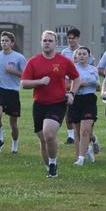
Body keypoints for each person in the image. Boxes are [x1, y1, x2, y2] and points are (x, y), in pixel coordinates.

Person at [21, 30, 79, 178]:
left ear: (56, 44)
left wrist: (71, 93)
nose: (47, 43)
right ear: (41, 42)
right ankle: (49, 168)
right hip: (39, 104)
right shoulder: (33, 62)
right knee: (43, 139)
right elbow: (24, 83)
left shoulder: (64, 61)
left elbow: (76, 78)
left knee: (48, 134)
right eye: (45, 40)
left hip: (58, 103)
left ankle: (53, 163)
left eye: (50, 41)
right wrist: (39, 82)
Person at [59, 28, 99, 150]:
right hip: (72, 94)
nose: (71, 40)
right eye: (69, 38)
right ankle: (74, 140)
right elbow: (65, 79)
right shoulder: (64, 53)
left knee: (86, 129)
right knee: (74, 122)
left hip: (87, 98)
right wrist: (77, 84)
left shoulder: (88, 59)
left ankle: (91, 140)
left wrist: (91, 83)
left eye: (73, 38)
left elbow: (96, 82)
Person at [0, 31, 26, 153]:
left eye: (6, 41)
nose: (4, 43)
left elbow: (25, 75)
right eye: (2, 40)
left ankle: (14, 145)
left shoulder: (19, 57)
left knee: (13, 124)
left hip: (13, 92)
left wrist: (13, 72)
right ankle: (0, 139)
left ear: (12, 43)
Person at [70, 47, 100, 166]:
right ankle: (92, 142)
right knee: (78, 132)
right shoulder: (72, 69)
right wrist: (80, 84)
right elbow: (66, 86)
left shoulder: (93, 69)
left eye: (84, 54)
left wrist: (95, 83)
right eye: (79, 54)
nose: (82, 56)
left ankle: (81, 159)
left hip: (89, 100)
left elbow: (98, 86)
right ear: (76, 56)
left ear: (89, 56)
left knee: (85, 130)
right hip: (75, 100)